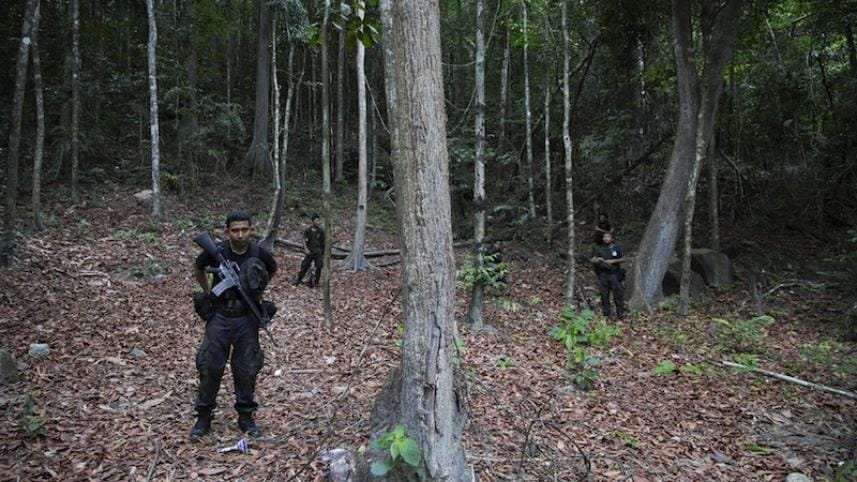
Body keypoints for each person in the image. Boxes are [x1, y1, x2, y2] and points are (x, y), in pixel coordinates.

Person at [190, 209, 277, 440]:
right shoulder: (217, 250)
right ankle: (203, 417)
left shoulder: (259, 252)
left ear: (251, 230)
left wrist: (255, 288)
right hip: (219, 316)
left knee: (247, 368)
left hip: (246, 317)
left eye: (244, 229)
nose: (240, 235)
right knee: (209, 365)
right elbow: (198, 267)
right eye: (235, 230)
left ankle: (246, 417)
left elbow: (272, 270)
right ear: (227, 232)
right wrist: (208, 291)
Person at [591, 231, 625, 319]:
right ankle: (606, 315)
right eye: (604, 237)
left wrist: (613, 261)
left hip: (615, 274)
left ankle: (620, 314)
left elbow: (623, 259)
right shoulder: (600, 248)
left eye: (608, 237)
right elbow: (593, 259)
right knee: (604, 295)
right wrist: (598, 260)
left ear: (612, 238)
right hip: (603, 275)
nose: (606, 239)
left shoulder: (617, 247)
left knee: (618, 295)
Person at [293, 213, 324, 288]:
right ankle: (298, 279)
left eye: (319, 221)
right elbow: (304, 239)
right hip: (310, 250)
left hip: (318, 251)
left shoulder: (321, 231)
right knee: (304, 266)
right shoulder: (308, 230)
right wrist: (306, 249)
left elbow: (323, 242)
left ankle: (316, 282)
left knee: (319, 267)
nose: (318, 222)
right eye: (317, 221)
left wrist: (322, 251)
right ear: (312, 221)